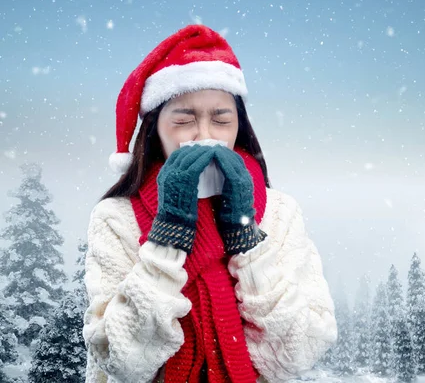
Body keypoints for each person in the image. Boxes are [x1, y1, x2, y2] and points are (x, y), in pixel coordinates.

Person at [82, 24, 337, 383]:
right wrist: (167, 238)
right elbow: (120, 360)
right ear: (155, 128)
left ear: (239, 127)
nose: (205, 136)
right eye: (184, 119)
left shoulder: (280, 214)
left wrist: (247, 239)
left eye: (221, 119)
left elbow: (299, 354)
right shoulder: (116, 217)